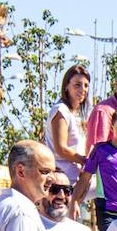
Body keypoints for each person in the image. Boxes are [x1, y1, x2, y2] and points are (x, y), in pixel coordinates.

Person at [43, 65, 91, 217]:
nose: (82, 89)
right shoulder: (61, 111)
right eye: (77, 85)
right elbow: (61, 148)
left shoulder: (78, 115)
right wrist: (85, 160)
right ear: (66, 87)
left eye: (86, 85)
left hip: (76, 181)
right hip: (61, 180)